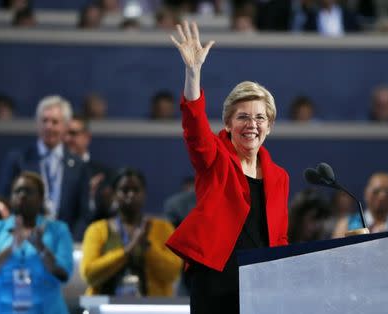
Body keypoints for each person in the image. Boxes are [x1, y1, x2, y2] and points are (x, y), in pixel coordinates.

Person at [165, 21, 289, 314]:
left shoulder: (279, 176)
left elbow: (280, 236)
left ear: (269, 127)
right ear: (229, 124)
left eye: (260, 118)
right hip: (216, 279)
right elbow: (194, 129)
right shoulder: (215, 159)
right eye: (243, 117)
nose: (252, 125)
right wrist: (192, 73)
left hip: (262, 282)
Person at [0, 172, 73, 314]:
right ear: (11, 197)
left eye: (28, 191)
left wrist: (40, 247)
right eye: (17, 191)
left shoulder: (58, 230)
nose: (22, 195)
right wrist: (10, 249)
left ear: (41, 197)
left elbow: (64, 274)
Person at [0, 95, 90, 241]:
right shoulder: (18, 160)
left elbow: (83, 213)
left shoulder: (79, 165)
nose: (48, 126)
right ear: (37, 124)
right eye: (44, 120)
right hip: (24, 240)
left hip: (66, 242)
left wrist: (70, 240)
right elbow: (5, 202)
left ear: (66, 126)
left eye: (55, 122)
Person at [80, 168, 182, 296]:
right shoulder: (96, 230)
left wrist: (148, 247)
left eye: (136, 190)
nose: (131, 195)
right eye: (124, 190)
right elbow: (89, 274)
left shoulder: (163, 228)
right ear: (114, 194)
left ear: (144, 193)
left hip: (152, 307)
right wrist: (127, 251)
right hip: (106, 307)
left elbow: (173, 273)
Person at [332, 172, 388, 237]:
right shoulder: (346, 224)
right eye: (376, 191)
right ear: (366, 193)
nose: (382, 196)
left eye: (387, 192)